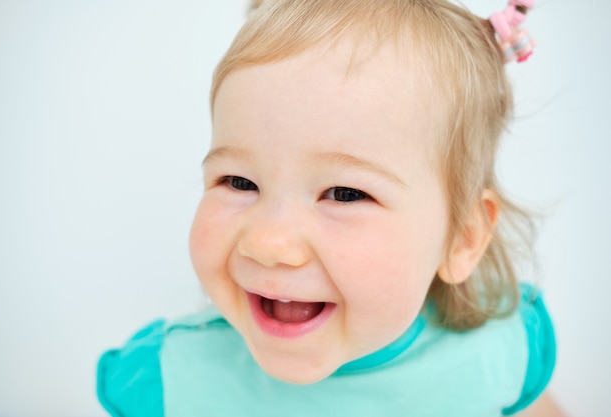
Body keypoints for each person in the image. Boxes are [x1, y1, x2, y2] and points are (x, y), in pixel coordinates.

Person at [97, 0, 565, 415]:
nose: (268, 243)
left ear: (460, 239)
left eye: (344, 193)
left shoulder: (496, 356)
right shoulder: (173, 381)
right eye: (239, 181)